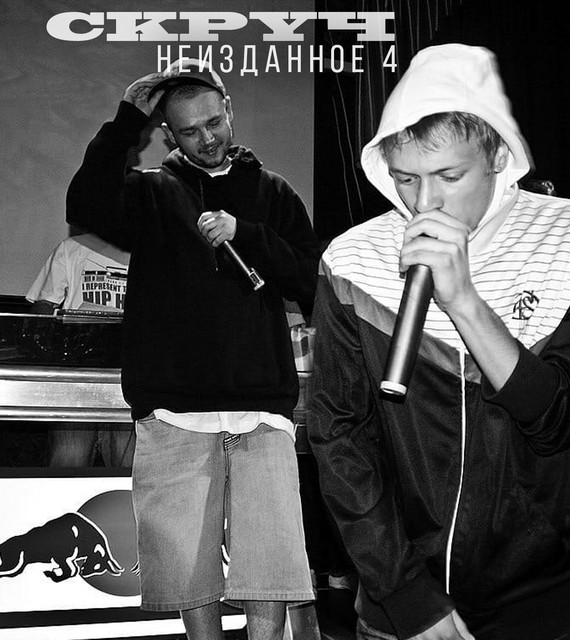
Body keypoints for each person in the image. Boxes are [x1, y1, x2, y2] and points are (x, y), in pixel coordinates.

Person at [307, 44, 570, 640]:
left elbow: (565, 421)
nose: (424, 202)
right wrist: (405, 595)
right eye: (405, 179)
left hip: (533, 605)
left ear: (498, 155)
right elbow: (339, 436)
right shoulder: (353, 259)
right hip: (399, 607)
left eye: (449, 177)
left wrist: (465, 302)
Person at [66, 59, 319, 640]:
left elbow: (310, 280)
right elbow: (85, 203)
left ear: (229, 109)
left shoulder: (273, 191)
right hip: (174, 405)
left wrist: (246, 234)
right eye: (188, 130)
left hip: (260, 405)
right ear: (166, 134)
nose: (207, 138)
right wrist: (125, 118)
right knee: (186, 562)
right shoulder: (151, 191)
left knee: (271, 559)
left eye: (213, 122)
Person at [26, 233, 134, 467]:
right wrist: (48, 333)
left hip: (126, 382)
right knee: (68, 462)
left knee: (127, 471)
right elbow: (44, 304)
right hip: (77, 381)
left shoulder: (149, 250)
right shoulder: (71, 247)